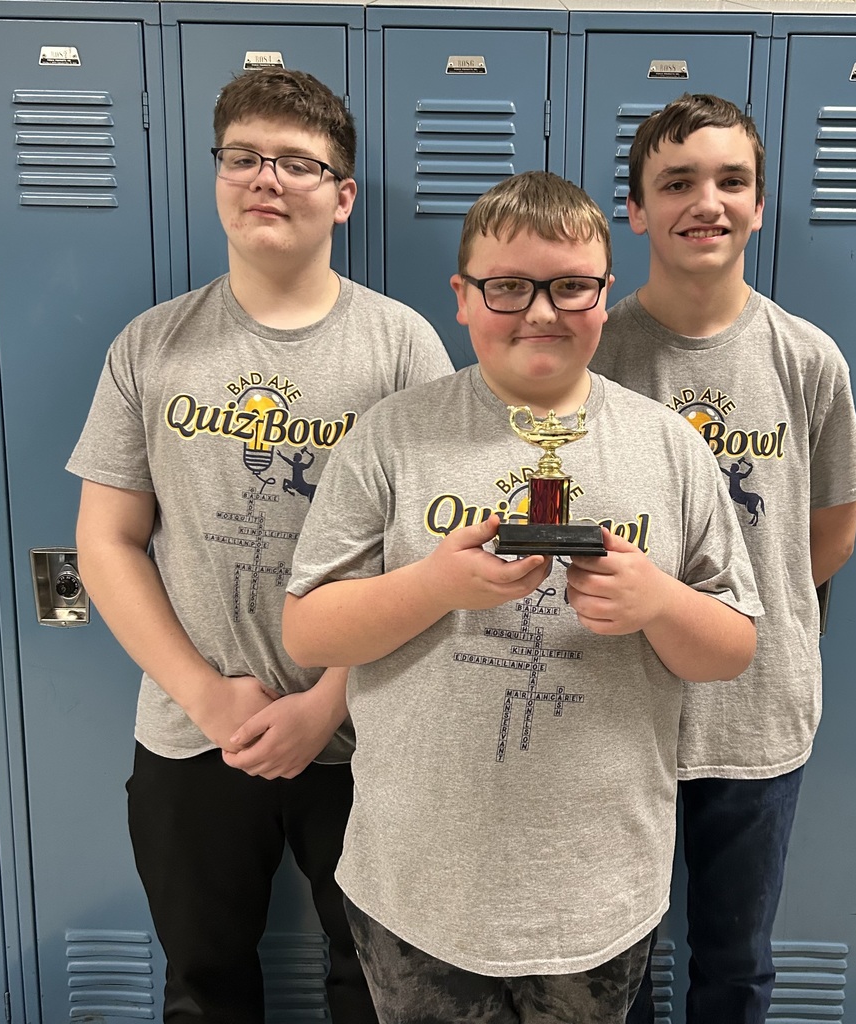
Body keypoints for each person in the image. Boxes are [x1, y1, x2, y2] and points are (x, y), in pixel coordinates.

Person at [281, 170, 764, 1024]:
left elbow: (733, 650)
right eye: (508, 287)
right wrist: (435, 584)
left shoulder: (669, 448)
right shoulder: (392, 436)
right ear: (462, 298)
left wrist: (657, 602)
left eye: (571, 287)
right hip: (418, 887)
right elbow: (308, 632)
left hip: (597, 890)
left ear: (605, 295)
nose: (541, 312)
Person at [66, 68, 453, 1024]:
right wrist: (208, 696)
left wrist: (328, 701)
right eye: (242, 157)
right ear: (217, 177)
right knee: (204, 987)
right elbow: (107, 540)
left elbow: (430, 564)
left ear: (343, 196)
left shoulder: (403, 349)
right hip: (193, 732)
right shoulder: (151, 346)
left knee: (377, 987)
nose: (265, 178)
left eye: (295, 162)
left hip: (363, 735)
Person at [589, 94, 856, 1024]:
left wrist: (753, 610)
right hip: (617, 709)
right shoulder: (597, 353)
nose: (705, 201)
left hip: (758, 716)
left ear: (758, 203)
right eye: (677, 182)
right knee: (613, 966)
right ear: (636, 210)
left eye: (730, 180)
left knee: (736, 963)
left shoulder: (807, 359)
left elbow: (831, 533)